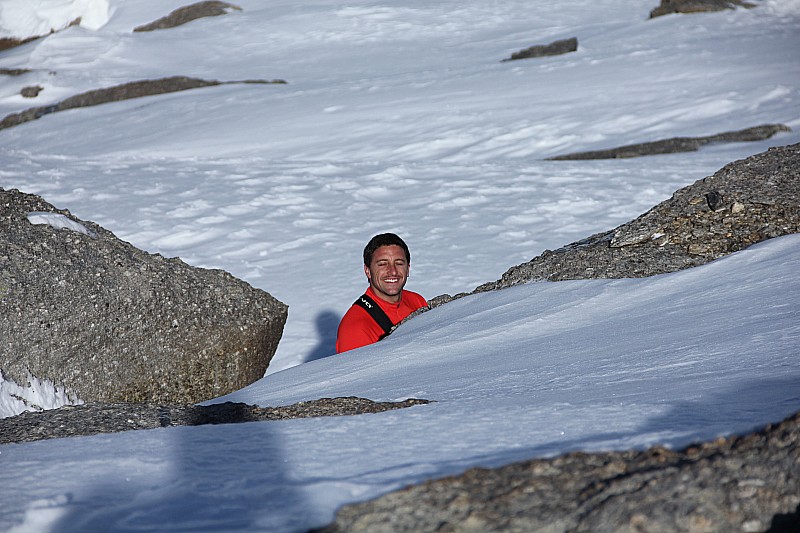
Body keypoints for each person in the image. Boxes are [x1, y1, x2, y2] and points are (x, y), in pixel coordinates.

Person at [336, 233, 427, 353]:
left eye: (399, 263)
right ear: (368, 271)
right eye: (383, 264)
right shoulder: (355, 328)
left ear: (408, 269)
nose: (393, 271)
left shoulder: (416, 301)